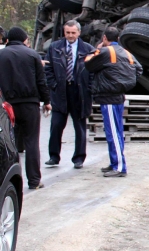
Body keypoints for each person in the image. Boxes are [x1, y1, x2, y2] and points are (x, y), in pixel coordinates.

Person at [84, 27, 142, 177]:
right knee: (117, 131)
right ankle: (115, 163)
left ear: (104, 38)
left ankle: (119, 167)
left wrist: (96, 50)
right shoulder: (127, 53)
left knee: (113, 133)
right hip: (118, 96)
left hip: (108, 97)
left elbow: (88, 64)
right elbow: (139, 70)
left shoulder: (105, 51)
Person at [0, 26, 52, 189]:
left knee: (10, 144)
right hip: (30, 104)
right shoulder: (32, 55)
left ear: (7, 40)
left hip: (8, 106)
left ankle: (9, 181)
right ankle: (34, 180)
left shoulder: (1, 55)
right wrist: (47, 101)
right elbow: (41, 81)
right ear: (24, 40)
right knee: (31, 142)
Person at [44, 20, 95, 169]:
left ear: (79, 33)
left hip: (79, 92)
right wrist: (53, 85)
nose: (70, 36)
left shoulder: (88, 49)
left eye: (73, 33)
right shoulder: (55, 48)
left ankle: (79, 158)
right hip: (60, 91)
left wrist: (89, 88)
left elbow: (93, 71)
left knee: (79, 127)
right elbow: (48, 69)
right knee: (56, 126)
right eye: (68, 33)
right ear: (64, 32)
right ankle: (54, 156)